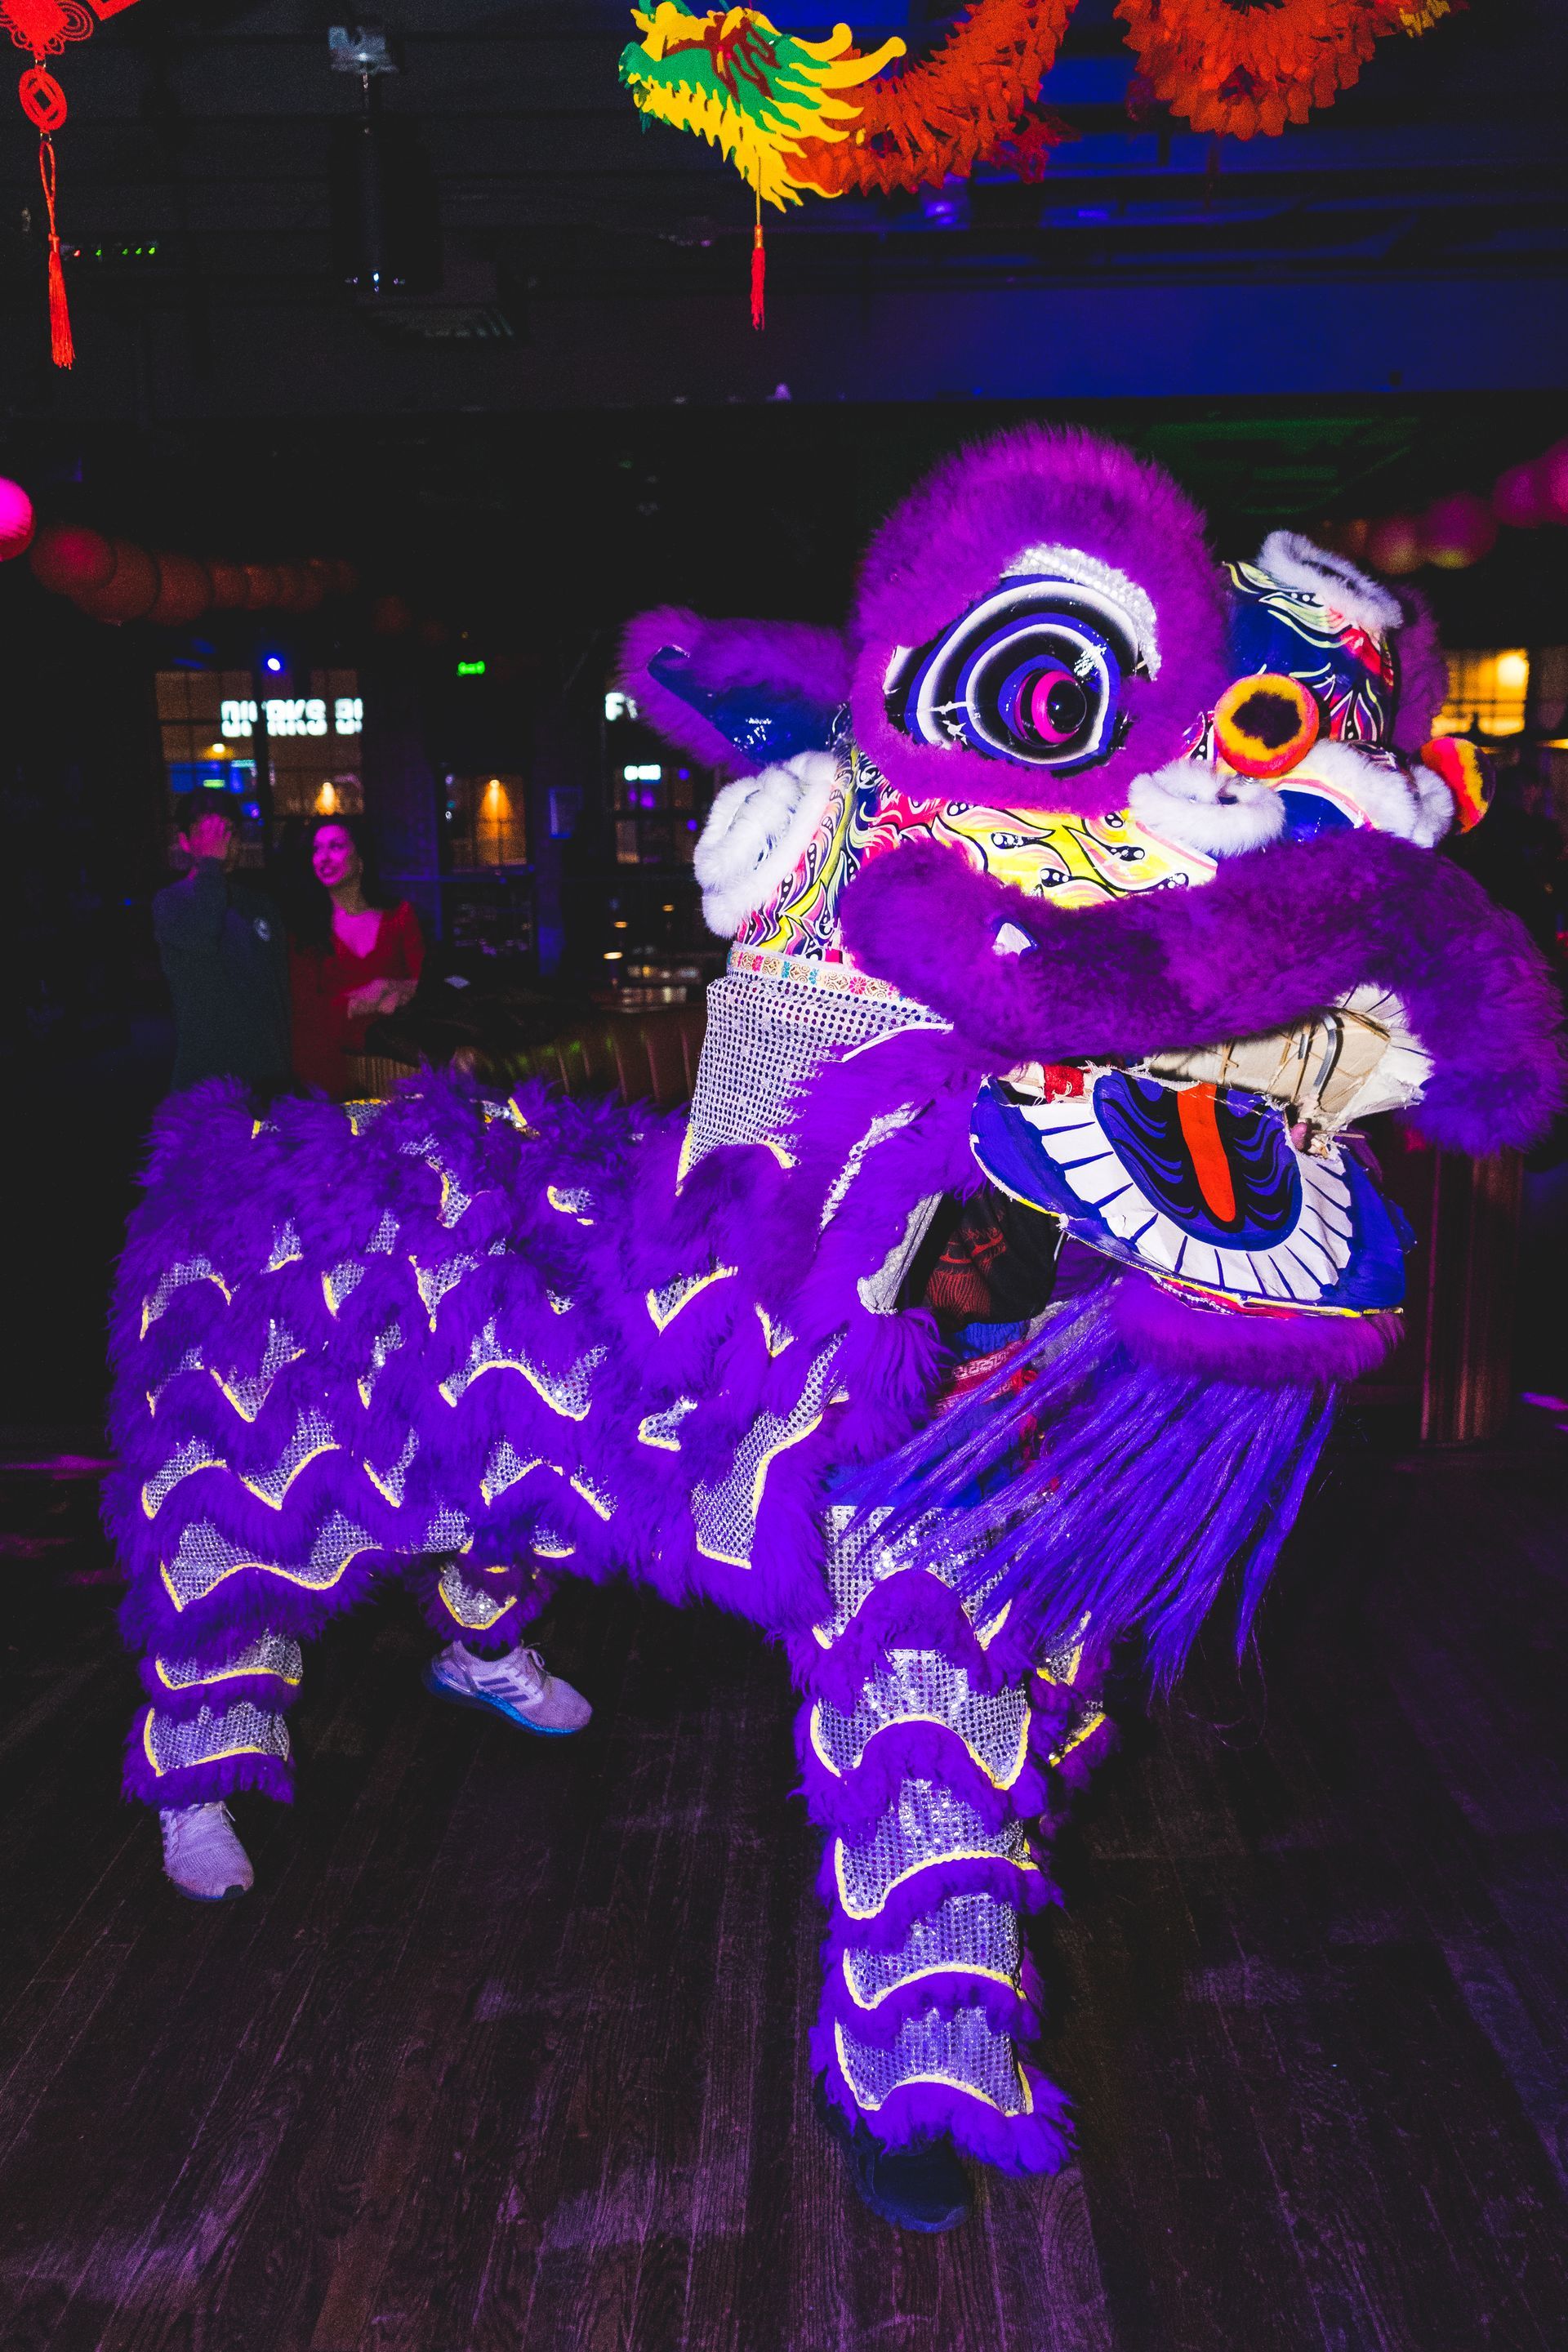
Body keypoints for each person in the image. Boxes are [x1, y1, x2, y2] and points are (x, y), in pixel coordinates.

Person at [154, 801, 292, 1098]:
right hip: (206, 1080)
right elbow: (204, 932)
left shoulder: (260, 904)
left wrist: (284, 1068)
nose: (222, 841)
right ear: (185, 841)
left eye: (228, 831)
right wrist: (209, 864)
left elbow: (280, 990)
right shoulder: (171, 902)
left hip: (267, 1077)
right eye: (209, 832)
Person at [290, 815, 425, 1098]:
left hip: (397, 1065)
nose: (324, 858)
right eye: (317, 849)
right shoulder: (303, 928)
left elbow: (425, 981)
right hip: (327, 1066)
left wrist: (391, 987)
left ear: (361, 858)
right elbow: (305, 1009)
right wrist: (366, 1002)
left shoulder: (399, 917)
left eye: (336, 846)